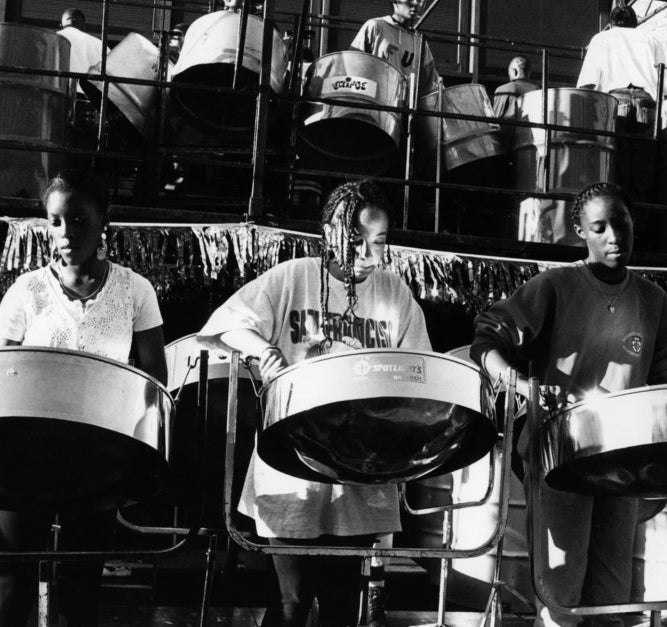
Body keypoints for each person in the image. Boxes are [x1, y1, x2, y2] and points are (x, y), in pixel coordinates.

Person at [198, 179, 432, 627]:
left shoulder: (395, 292)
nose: (369, 254)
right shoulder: (295, 276)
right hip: (295, 460)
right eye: (357, 241)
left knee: (343, 606)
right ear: (329, 232)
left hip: (361, 467)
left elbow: (418, 368)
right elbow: (227, 323)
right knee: (291, 605)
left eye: (380, 242)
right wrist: (264, 350)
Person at [470, 182, 667, 627]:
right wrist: (522, 385)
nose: (614, 236)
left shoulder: (654, 301)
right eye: (599, 227)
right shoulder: (555, 287)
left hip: (622, 462)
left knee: (613, 600)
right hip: (561, 456)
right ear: (581, 231)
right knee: (562, 597)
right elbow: (487, 341)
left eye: (622, 223)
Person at [0, 170, 168, 625]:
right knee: (11, 581)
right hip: (25, 455)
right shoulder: (26, 291)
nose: (65, 233)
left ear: (102, 221)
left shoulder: (136, 290)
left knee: (81, 587)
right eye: (55, 221)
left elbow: (154, 378)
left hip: (96, 458)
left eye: (78, 219)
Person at [577, 3, 665, 208]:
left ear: (611, 24)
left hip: (616, 103)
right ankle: (639, 228)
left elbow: (587, 84)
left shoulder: (602, 39)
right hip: (647, 103)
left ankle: (619, 219)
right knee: (643, 171)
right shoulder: (651, 40)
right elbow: (664, 83)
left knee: (616, 167)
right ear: (635, 24)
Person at [350, 0, 439, 97]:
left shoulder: (420, 42)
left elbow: (430, 85)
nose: (415, 3)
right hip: (373, 103)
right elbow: (351, 64)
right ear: (395, 0)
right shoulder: (376, 26)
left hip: (405, 111)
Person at [57, 8, 109, 94]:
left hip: (57, 96)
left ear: (60, 25)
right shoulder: (100, 45)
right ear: (84, 26)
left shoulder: (50, 39)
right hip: (88, 100)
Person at [492, 55, 540, 144]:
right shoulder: (538, 90)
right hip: (532, 142)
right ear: (529, 72)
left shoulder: (503, 89)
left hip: (508, 143)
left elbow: (495, 122)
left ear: (514, 71)